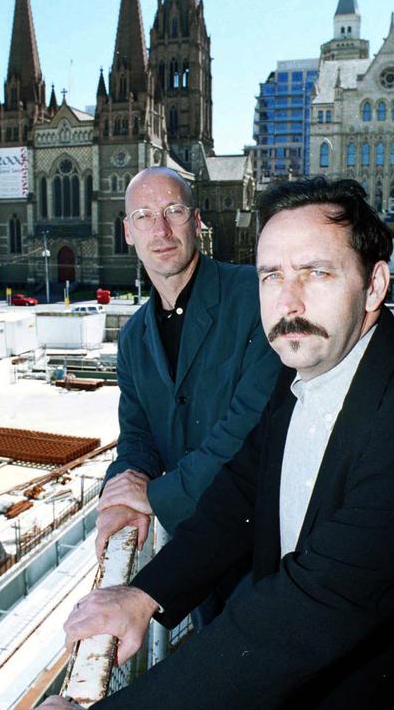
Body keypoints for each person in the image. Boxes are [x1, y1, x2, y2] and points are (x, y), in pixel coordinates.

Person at [0, 178, 394, 710]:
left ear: (373, 286)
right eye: (269, 276)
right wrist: (144, 595)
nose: (287, 301)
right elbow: (241, 492)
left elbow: (304, 612)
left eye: (316, 272)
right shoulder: (310, 372)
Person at [95, 166, 281, 561]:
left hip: (266, 546)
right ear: (128, 232)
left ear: (196, 222)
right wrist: (120, 491)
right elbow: (137, 437)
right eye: (143, 217)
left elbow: (247, 429)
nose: (160, 230)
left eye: (173, 212)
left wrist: (155, 495)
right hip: (194, 548)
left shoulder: (254, 296)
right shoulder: (133, 340)